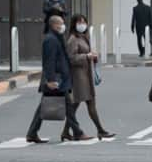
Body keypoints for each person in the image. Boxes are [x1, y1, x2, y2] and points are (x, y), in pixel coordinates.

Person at [26, 15, 90, 143]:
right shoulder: (51, 40)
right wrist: (50, 80)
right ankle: (78, 132)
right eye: (61, 24)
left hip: (59, 79)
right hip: (56, 80)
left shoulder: (57, 37)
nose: (63, 26)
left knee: (45, 106)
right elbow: (49, 61)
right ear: (54, 25)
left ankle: (32, 133)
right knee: (67, 107)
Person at [66, 14, 114, 140]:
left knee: (76, 105)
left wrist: (93, 56)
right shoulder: (73, 39)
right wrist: (87, 56)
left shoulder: (83, 37)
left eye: (84, 22)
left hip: (85, 75)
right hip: (78, 77)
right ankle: (100, 130)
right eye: (79, 22)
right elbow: (71, 58)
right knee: (87, 103)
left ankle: (66, 131)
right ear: (74, 24)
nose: (82, 24)